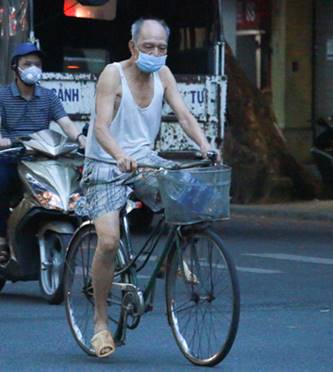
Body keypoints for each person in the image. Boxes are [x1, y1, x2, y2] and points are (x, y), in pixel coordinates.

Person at [82, 17, 216, 358]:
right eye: (148, 47)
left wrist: (205, 145)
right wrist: (120, 155)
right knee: (109, 242)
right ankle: (100, 323)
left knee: (197, 194)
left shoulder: (163, 75)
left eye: (161, 48)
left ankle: (179, 251)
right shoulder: (113, 74)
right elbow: (100, 127)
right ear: (132, 46)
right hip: (105, 164)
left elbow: (184, 116)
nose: (155, 53)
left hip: (146, 161)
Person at [0, 42, 86, 262]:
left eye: (37, 64)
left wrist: (80, 139)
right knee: (1, 184)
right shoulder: (0, 96)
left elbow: (66, 124)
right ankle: (1, 242)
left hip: (41, 158)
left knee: (75, 181)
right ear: (15, 67)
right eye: (27, 63)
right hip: (9, 156)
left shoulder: (48, 97)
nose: (33, 68)